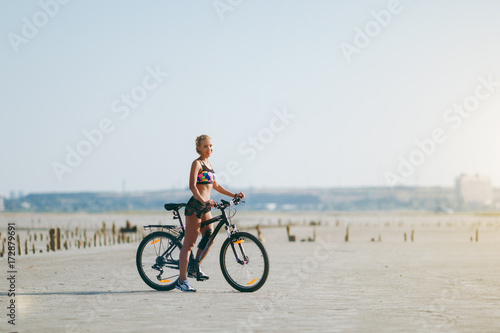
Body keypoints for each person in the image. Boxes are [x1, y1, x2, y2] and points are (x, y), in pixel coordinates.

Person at [175, 134, 245, 292]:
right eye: (205, 146)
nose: (209, 149)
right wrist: (204, 200)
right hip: (195, 206)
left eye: (211, 146)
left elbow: (217, 186)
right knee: (189, 244)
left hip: (206, 207)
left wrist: (234, 195)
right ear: (198, 148)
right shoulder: (197, 163)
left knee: (209, 237)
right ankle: (182, 280)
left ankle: (194, 266)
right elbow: (193, 187)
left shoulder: (209, 164)